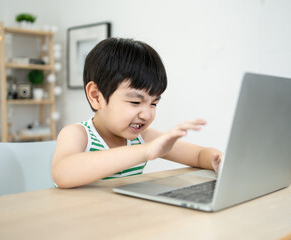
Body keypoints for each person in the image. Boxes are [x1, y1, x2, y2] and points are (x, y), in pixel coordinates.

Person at [52, 38, 222, 188]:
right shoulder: (78, 134)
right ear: (96, 96)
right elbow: (62, 174)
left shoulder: (143, 137)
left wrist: (219, 160)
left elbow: (199, 155)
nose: (146, 115)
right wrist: (146, 151)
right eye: (135, 102)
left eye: (154, 103)